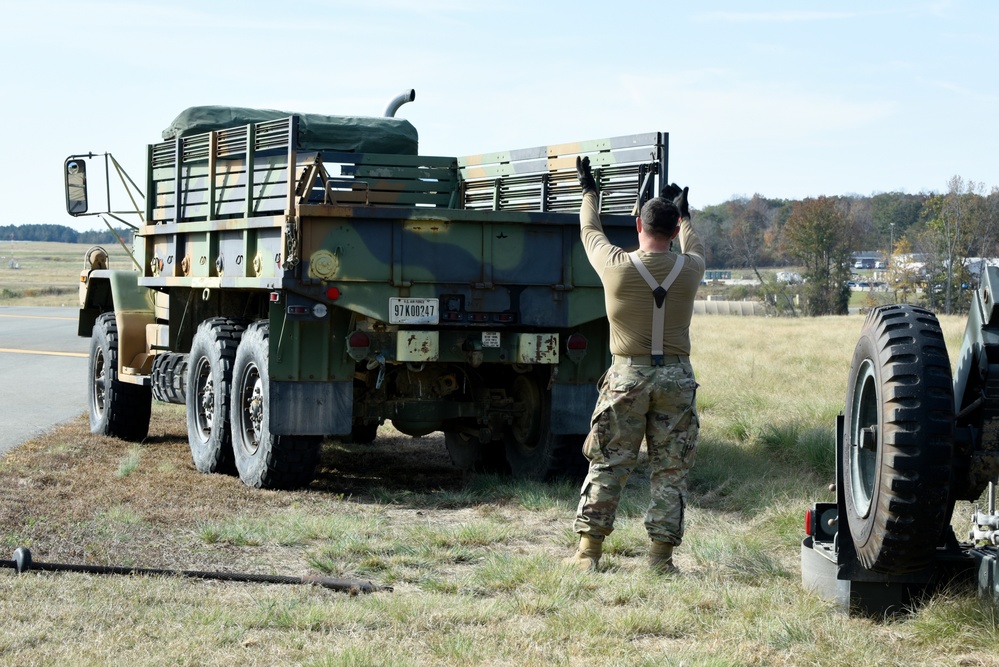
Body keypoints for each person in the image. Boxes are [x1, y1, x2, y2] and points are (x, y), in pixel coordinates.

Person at [565, 156, 705, 574]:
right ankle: (661, 560)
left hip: (627, 376)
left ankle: (588, 554)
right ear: (675, 230)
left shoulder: (616, 266)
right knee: (670, 471)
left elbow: (590, 229)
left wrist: (589, 190)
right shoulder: (691, 268)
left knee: (609, 462)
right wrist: (685, 212)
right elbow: (692, 243)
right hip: (677, 378)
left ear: (638, 228)